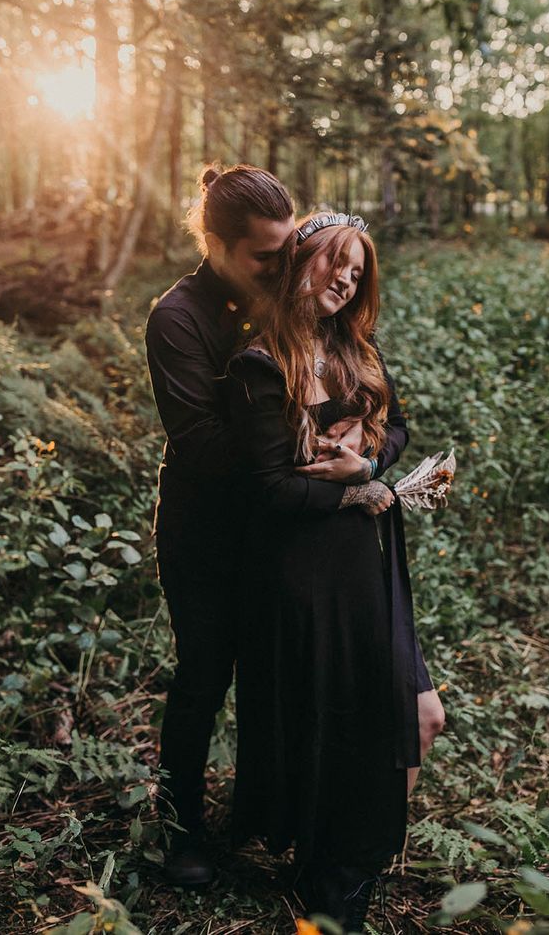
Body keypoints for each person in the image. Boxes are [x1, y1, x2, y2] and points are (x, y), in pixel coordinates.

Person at [144, 167, 377, 887]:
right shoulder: (177, 318)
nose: (284, 269)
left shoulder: (294, 299)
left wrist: (360, 444)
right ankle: (181, 829)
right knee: (205, 676)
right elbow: (203, 445)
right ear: (214, 243)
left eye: (289, 251)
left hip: (284, 531)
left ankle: (276, 815)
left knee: (283, 680)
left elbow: (367, 397)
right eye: (265, 257)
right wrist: (298, 441)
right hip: (208, 535)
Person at [224, 212, 445, 930]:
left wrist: (370, 461)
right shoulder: (260, 365)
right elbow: (272, 489)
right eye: (335, 262)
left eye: (358, 269)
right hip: (298, 571)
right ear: (300, 260)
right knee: (326, 714)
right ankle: (330, 874)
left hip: (363, 560)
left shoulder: (355, 348)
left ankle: (349, 857)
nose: (346, 278)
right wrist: (360, 490)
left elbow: (400, 425)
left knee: (411, 709)